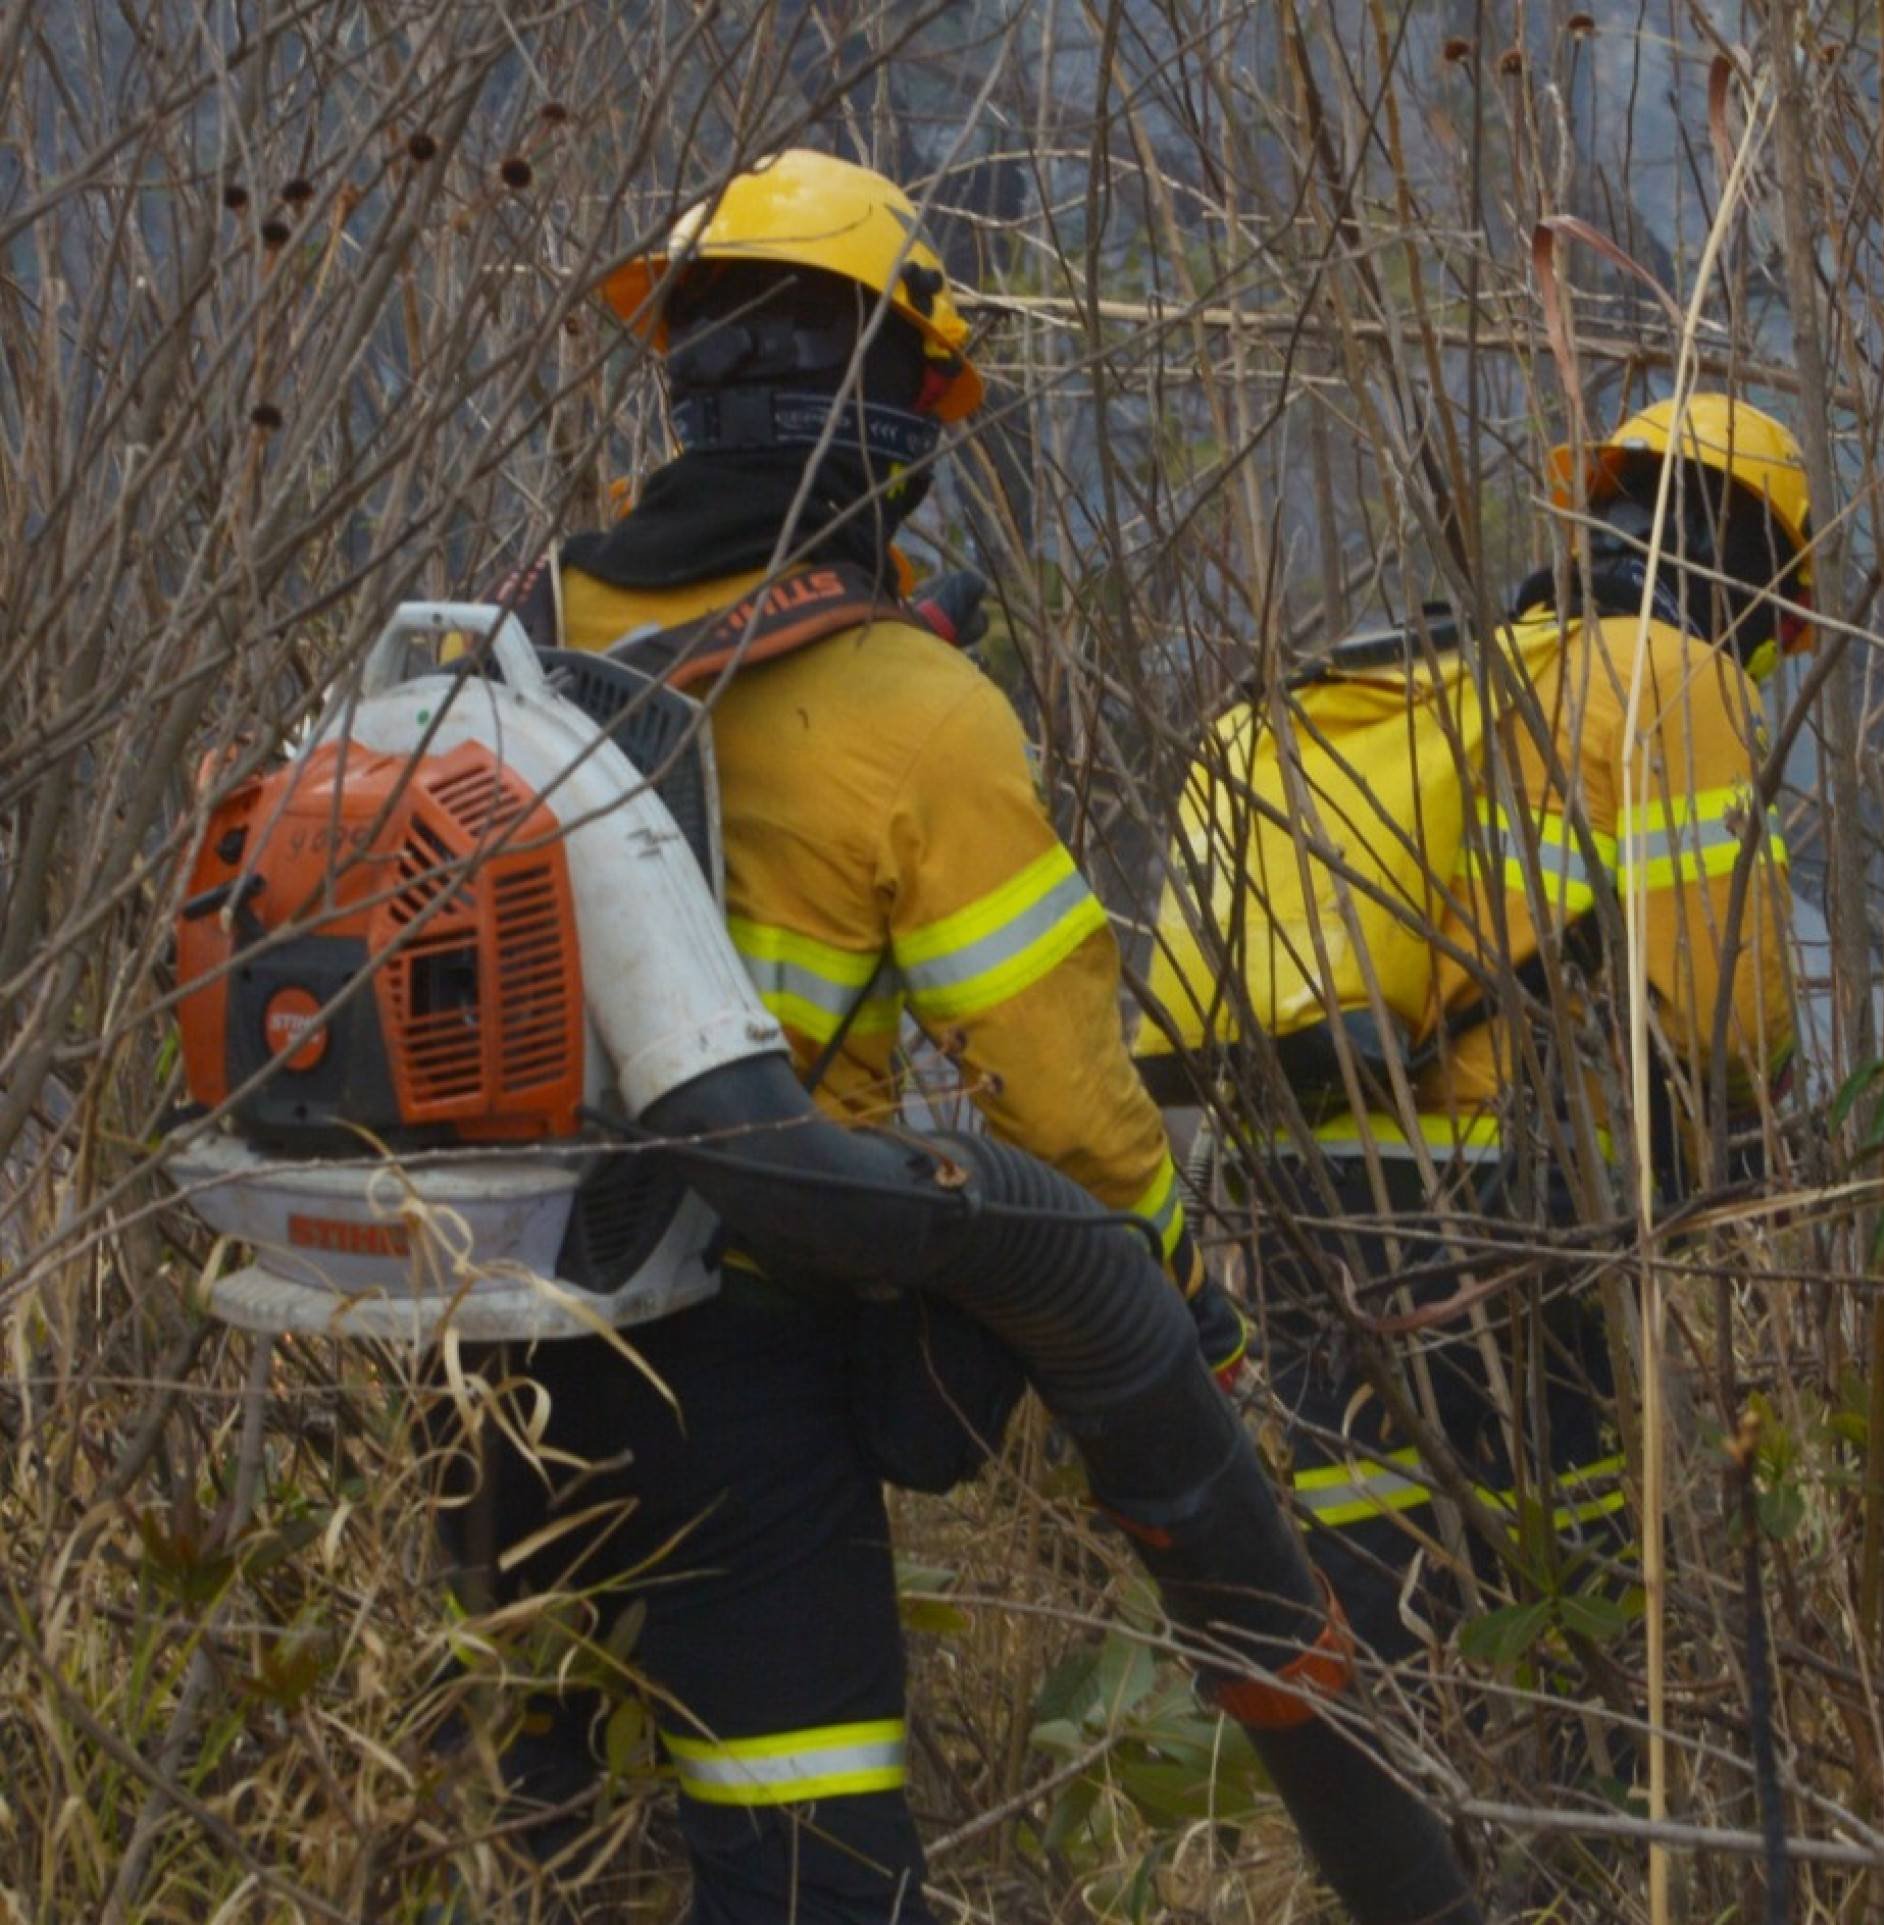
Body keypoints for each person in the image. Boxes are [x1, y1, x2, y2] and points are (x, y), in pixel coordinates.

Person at [450, 149, 1235, 1923]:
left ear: (682, 382)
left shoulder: (500, 634)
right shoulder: (913, 708)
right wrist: (1178, 1300)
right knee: (802, 1857)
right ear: (900, 406)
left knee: (512, 1827)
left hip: (477, 1337)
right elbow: (1059, 1097)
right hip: (741, 1360)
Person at [1207, 394, 1808, 1670]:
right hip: (1497, 1208)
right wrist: (1753, 1137)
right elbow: (1723, 1001)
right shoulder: (1672, 674)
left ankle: (1374, 1831)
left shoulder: (1472, 663)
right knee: (1563, 1568)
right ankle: (1564, 1846)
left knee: (1367, 1559)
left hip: (1317, 1185)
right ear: (1761, 568)